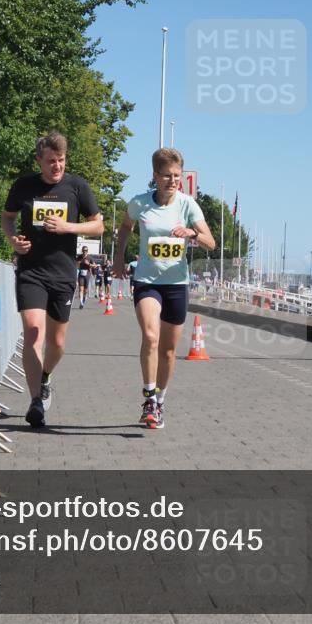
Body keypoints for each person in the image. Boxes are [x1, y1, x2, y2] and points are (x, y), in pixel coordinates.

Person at [1, 132, 104, 428]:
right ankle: (35, 402)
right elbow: (7, 217)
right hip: (31, 271)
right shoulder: (24, 186)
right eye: (51, 162)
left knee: (57, 343)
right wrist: (13, 241)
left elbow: (98, 226)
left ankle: (45, 377)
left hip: (62, 274)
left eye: (61, 161)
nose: (56, 166)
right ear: (39, 161)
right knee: (34, 332)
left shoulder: (76, 186)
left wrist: (68, 227)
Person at [113, 148, 215, 430]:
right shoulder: (140, 203)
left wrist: (192, 233)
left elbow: (211, 242)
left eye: (177, 176)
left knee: (168, 351)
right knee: (150, 335)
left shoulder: (187, 205)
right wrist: (119, 258)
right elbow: (125, 227)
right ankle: (149, 398)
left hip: (176, 284)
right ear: (155, 176)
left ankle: (160, 399)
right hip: (146, 281)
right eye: (167, 176)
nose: (173, 181)